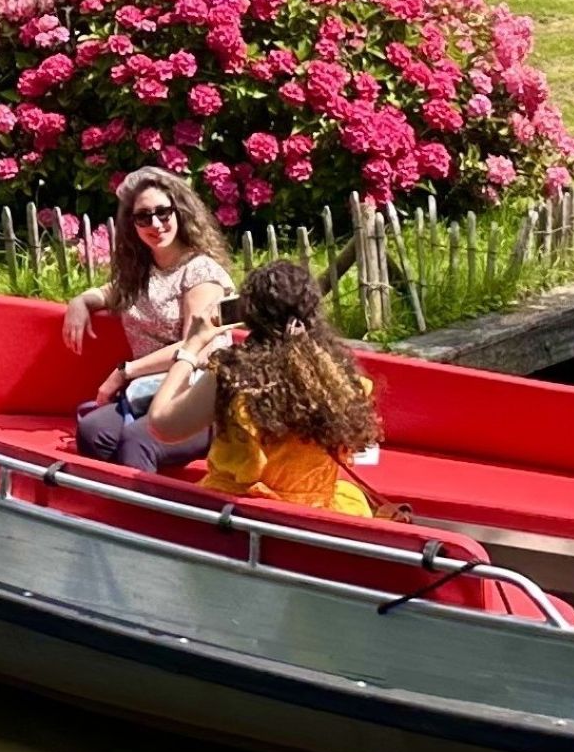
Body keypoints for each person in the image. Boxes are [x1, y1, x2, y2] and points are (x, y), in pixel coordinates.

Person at [146, 258, 381, 516]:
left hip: (242, 516)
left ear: (250, 314)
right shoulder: (338, 374)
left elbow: (161, 425)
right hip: (316, 514)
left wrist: (191, 347)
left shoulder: (232, 373)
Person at [65, 167, 234, 474]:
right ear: (132, 224)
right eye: (144, 217)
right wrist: (79, 302)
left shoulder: (200, 272)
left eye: (163, 213)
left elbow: (194, 346)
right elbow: (106, 293)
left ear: (179, 212)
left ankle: (145, 517)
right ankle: (110, 505)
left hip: (201, 396)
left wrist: (124, 372)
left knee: (138, 439)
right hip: (150, 390)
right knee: (92, 431)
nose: (155, 224)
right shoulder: (140, 271)